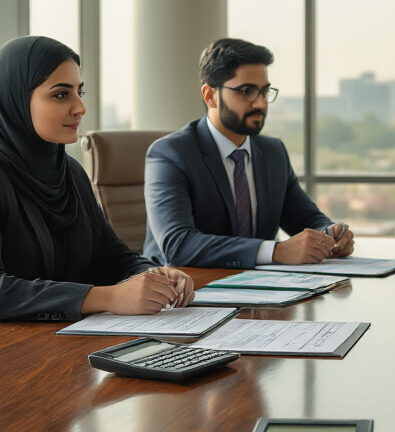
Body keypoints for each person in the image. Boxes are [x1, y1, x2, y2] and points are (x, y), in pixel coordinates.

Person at [0, 36, 194, 325]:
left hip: (59, 334)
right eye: (60, 94)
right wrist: (107, 298)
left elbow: (112, 257)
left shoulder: (69, 171)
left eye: (79, 92)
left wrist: (156, 276)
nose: (80, 107)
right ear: (16, 98)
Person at [143, 38, 353, 269]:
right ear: (210, 96)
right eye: (247, 91)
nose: (261, 104)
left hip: (263, 285)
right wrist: (277, 251)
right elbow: (178, 245)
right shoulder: (171, 154)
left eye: (264, 91)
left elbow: (305, 219)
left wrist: (331, 234)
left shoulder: (273, 152)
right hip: (187, 286)